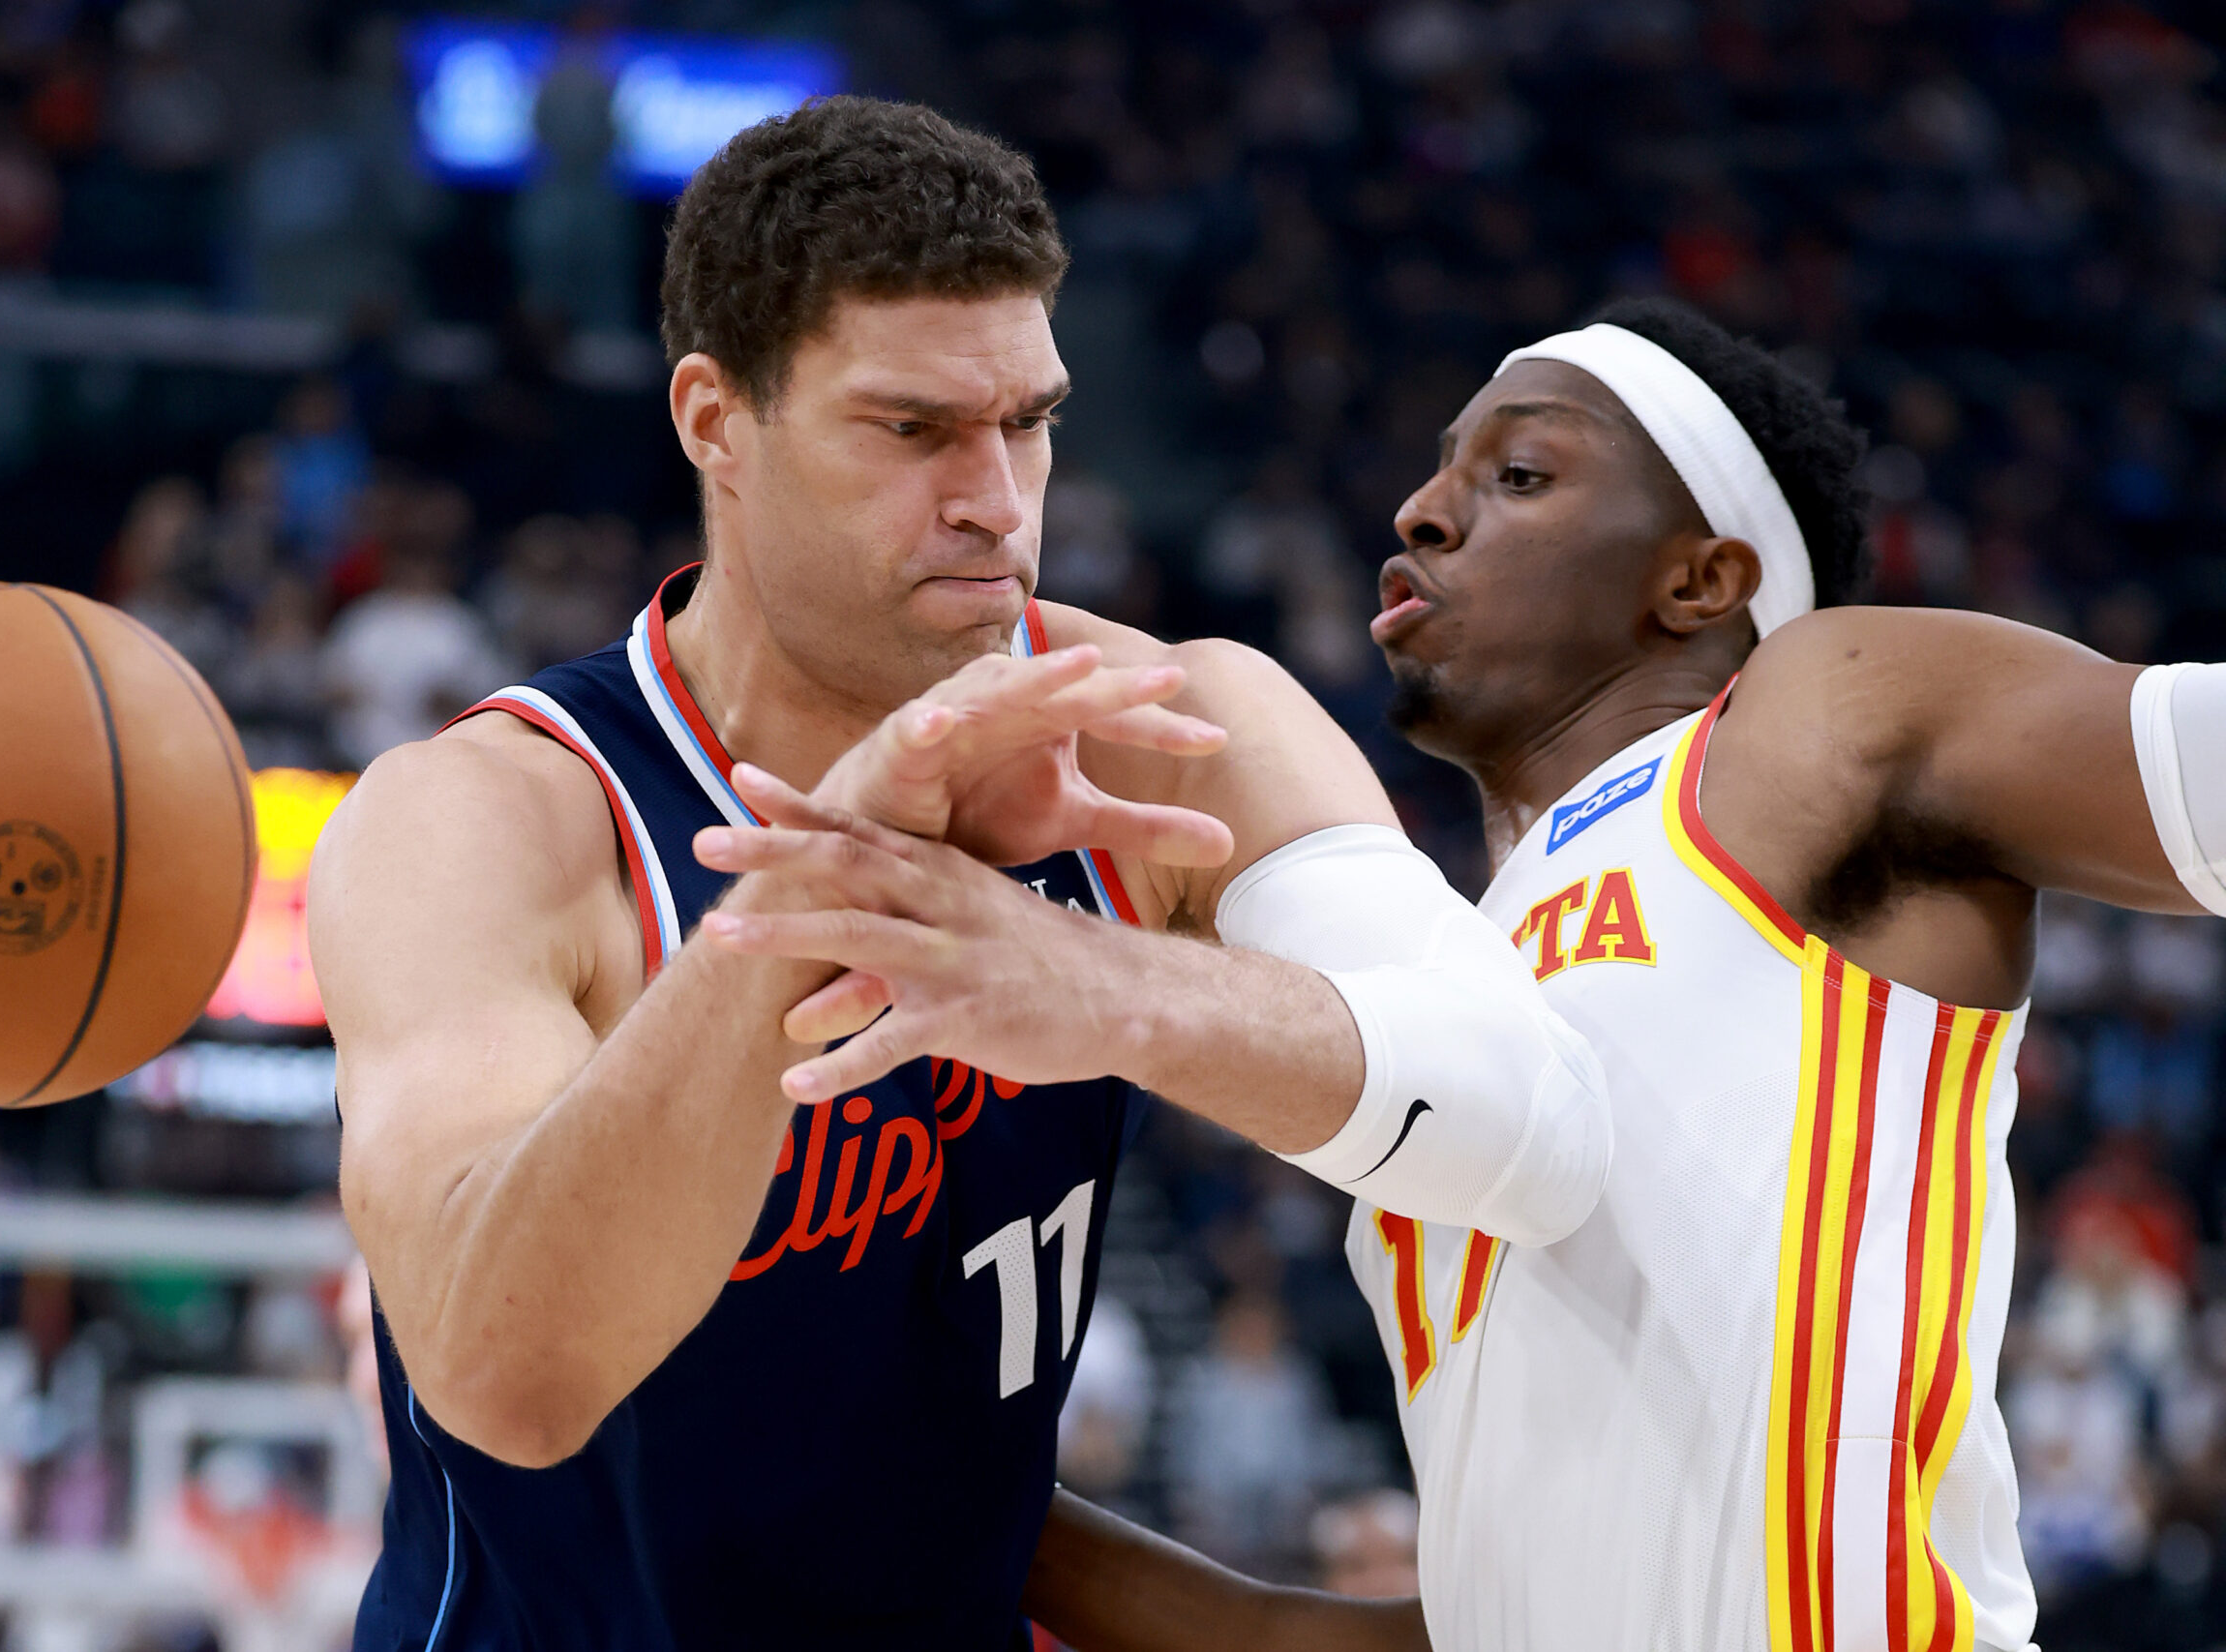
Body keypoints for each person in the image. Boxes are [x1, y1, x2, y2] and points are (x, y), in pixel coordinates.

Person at [314, 97, 1608, 1651]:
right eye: (913, 430)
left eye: (1030, 423)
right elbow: (506, 1380)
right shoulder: (494, 819)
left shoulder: (1159, 731)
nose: (996, 500)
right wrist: (809, 899)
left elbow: (1531, 1118)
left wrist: (1102, 985)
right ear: (716, 420)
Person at [1008, 297, 2223, 1650]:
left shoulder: (1804, 719)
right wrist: (964, 1485)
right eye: (1439, 470)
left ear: (1700, 582)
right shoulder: (1450, 989)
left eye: (1519, 473)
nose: (1419, 511)